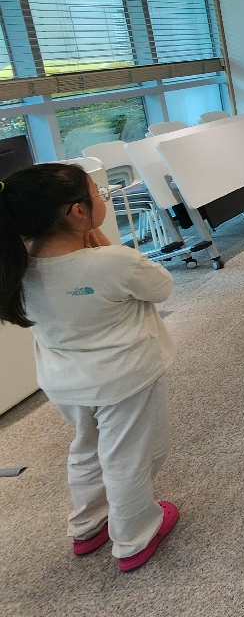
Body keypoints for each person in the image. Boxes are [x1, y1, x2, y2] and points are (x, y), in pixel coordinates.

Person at [0, 164, 179, 571]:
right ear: (77, 211)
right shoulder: (114, 261)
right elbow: (162, 287)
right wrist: (107, 250)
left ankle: (87, 524)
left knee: (86, 450)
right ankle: (135, 537)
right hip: (126, 378)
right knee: (127, 457)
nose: (103, 197)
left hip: (65, 383)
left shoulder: (17, 266)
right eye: (97, 192)